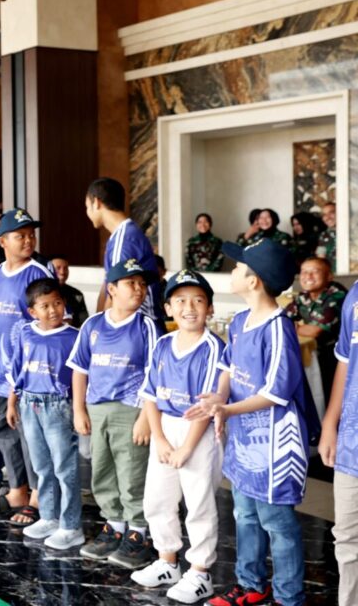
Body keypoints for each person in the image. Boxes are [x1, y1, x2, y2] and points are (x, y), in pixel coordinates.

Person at [187, 240, 308, 606]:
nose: (233, 271)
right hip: (243, 439)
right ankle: (251, 583)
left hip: (273, 443)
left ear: (254, 281)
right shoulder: (240, 321)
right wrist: (219, 399)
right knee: (245, 513)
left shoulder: (277, 328)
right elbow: (227, 368)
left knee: (277, 522)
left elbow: (276, 393)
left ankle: (290, 597)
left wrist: (227, 411)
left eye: (239, 267)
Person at [132, 270, 224, 603]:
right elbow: (151, 395)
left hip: (197, 432)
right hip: (165, 427)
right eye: (180, 300)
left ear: (210, 308)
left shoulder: (213, 347)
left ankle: (200, 572)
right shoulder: (162, 343)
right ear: (168, 308)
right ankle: (166, 561)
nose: (189, 307)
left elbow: (204, 405)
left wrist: (186, 447)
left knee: (199, 502)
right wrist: (159, 438)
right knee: (157, 498)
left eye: (198, 300)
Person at [67, 257, 159, 569]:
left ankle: (139, 532)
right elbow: (80, 369)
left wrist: (146, 417)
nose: (139, 289)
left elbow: (154, 374)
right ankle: (114, 525)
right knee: (102, 470)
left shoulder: (146, 326)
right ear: (112, 289)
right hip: (97, 408)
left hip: (131, 409)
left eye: (142, 283)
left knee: (132, 471)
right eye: (131, 283)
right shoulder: (92, 325)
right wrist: (79, 408)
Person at [4, 278, 82, 550]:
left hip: (58, 406)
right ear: (32, 311)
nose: (53, 310)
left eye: (58, 303)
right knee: (41, 465)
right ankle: (48, 516)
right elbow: (18, 372)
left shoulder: (74, 337)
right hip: (29, 404)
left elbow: (81, 378)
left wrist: (79, 409)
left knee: (64, 466)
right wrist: (12, 403)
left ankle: (71, 525)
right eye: (45, 306)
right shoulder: (26, 333)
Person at [0, 209, 50, 522]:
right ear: (3, 241)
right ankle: (17, 488)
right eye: (20, 235)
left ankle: (37, 497)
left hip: (25, 376)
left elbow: (48, 326)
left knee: (29, 435)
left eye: (30, 234)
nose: (28, 240)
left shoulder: (38, 273)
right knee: (4, 432)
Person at [322, 273, 358, 606]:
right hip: (352, 443)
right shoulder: (355, 296)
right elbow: (345, 363)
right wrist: (331, 423)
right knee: (347, 538)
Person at [85, 177, 164, 326]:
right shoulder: (122, 235)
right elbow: (108, 285)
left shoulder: (124, 239)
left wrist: (102, 330)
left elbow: (118, 292)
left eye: (87, 206)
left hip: (138, 326)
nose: (87, 212)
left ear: (97, 202)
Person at [285, 256, 346, 414]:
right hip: (314, 354)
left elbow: (316, 331)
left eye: (315, 272)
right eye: (304, 272)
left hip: (336, 359)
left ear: (329, 276)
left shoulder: (337, 295)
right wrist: (300, 326)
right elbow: (283, 321)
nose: (308, 276)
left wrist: (296, 326)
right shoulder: (304, 296)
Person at [48, 255, 88, 327]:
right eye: (58, 268)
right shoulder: (40, 293)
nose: (62, 272)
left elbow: (84, 323)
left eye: (65, 268)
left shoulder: (76, 295)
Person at [316, 201, 336, 266]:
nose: (327, 217)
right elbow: (321, 258)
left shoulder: (352, 232)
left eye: (331, 213)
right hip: (333, 274)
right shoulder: (323, 235)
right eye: (324, 215)